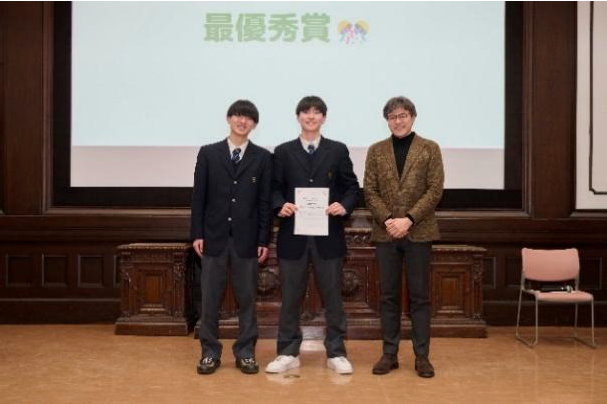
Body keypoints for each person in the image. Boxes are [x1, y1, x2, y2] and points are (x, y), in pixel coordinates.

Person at [265, 96, 360, 375]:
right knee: (290, 298)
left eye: (316, 112)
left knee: (333, 299)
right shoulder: (283, 151)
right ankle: (287, 352)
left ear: (324, 118)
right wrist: (279, 205)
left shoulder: (337, 150)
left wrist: (344, 205)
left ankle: (336, 352)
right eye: (305, 112)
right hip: (292, 237)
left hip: (328, 237)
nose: (311, 116)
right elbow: (273, 188)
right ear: (298, 117)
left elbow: (352, 188)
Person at [364, 96, 444, 378]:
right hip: (385, 233)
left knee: (420, 297)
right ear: (387, 121)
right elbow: (370, 191)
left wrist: (408, 219)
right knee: (388, 297)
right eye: (392, 116)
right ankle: (389, 354)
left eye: (403, 115)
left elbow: (434, 190)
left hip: (419, 232)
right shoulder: (376, 150)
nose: (398, 121)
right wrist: (389, 220)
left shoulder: (430, 148)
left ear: (412, 117)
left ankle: (422, 357)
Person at [190, 100, 272, 375]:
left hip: (247, 241)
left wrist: (263, 239)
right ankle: (209, 352)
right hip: (212, 238)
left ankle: (246, 352)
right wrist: (197, 233)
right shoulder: (208, 153)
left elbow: (264, 203)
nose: (242, 121)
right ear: (228, 119)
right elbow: (198, 198)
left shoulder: (263, 158)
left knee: (247, 299)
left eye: (248, 118)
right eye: (237, 115)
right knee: (210, 299)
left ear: (254, 124)